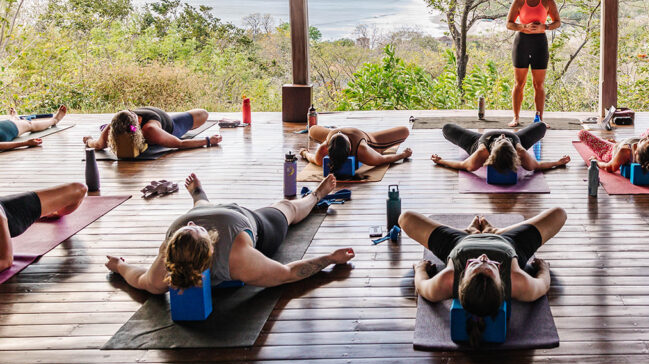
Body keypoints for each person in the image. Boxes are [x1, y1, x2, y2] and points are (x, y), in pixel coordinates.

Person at [105, 173, 353, 292]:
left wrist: (120, 266)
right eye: (197, 231)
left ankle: (315, 196)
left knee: (202, 207)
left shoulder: (172, 245)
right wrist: (330, 258)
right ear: (211, 245)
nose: (190, 226)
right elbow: (288, 273)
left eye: (187, 230)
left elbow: (139, 277)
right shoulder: (238, 256)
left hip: (221, 214)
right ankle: (316, 195)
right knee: (285, 208)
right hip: (248, 223)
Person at [400, 207, 566, 346]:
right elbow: (543, 285)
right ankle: (494, 231)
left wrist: (421, 268)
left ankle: (470, 232)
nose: (484, 257)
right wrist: (543, 268)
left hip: (458, 242)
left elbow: (422, 286)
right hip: (511, 242)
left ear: (462, 280)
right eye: (490, 266)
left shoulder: (447, 280)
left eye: (475, 265)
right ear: (501, 281)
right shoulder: (517, 281)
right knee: (559, 214)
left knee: (405, 218)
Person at [505, 0, 561, 127]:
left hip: (540, 44)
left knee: (539, 84)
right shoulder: (519, 2)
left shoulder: (547, 1)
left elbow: (557, 21)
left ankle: (539, 119)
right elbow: (509, 23)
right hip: (522, 43)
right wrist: (522, 26)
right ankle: (515, 118)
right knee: (519, 83)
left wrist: (545, 27)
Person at [1, 182, 88, 271]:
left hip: (14, 211)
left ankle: (52, 213)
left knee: (80, 189)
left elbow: (6, 261)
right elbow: (5, 261)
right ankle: (50, 212)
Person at [431, 122, 570, 174]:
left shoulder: (481, 152)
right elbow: (537, 165)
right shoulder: (520, 150)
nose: (502, 134)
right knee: (541, 126)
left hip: (477, 142)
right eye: (504, 139)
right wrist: (558, 162)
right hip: (516, 140)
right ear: (516, 152)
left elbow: (462, 165)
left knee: (447, 128)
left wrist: (441, 161)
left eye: (502, 139)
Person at [83, 107, 221, 159]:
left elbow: (179, 143)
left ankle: (186, 122)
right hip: (140, 121)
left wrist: (208, 140)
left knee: (203, 114)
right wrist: (88, 140)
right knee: (105, 132)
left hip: (170, 125)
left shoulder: (150, 130)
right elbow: (98, 144)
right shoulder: (113, 127)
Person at [300, 125, 412, 169]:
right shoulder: (361, 150)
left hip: (367, 138)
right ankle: (332, 130)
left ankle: (332, 130)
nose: (340, 132)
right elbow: (383, 159)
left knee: (312, 129)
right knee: (312, 130)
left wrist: (304, 153)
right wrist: (404, 154)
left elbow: (312, 158)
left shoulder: (362, 149)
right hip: (369, 140)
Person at [577, 126, 649, 173]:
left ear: (636, 152)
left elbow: (609, 168)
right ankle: (618, 142)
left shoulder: (625, 152)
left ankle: (616, 143)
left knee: (582, 133)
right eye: (647, 139)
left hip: (611, 150)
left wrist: (595, 161)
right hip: (627, 144)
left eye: (643, 140)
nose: (646, 138)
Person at [0, 105, 69, 152]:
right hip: (10, 128)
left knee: (16, 122)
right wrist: (25, 143)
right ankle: (54, 120)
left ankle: (14, 117)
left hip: (4, 126)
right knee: (29, 124)